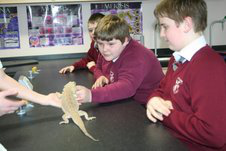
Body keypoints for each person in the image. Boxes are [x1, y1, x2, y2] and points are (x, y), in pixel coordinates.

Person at [146, 0, 226, 150]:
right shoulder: (176, 59)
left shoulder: (208, 66)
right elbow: (161, 90)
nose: (162, 34)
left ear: (186, 24)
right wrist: (154, 100)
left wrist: (166, 113)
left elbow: (213, 133)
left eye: (164, 26)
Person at [75, 14, 164, 104]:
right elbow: (98, 67)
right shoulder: (109, 51)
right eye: (100, 43)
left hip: (147, 107)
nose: (105, 49)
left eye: (111, 44)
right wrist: (100, 76)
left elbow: (126, 87)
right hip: (126, 100)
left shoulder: (137, 56)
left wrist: (91, 95)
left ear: (125, 40)